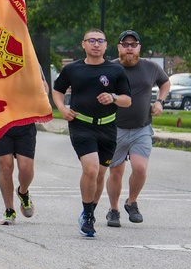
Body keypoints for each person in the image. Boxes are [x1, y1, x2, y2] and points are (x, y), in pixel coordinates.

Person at [52, 29, 131, 238]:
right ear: (83, 44)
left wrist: (113, 97)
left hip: (107, 127)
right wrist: (61, 108)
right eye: (91, 41)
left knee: (100, 174)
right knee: (91, 169)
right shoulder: (73, 69)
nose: (96, 44)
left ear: (106, 46)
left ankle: (89, 212)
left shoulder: (116, 71)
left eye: (100, 41)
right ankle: (87, 217)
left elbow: (127, 100)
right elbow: (57, 89)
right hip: (81, 125)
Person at [101, 30, 170, 227]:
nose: (129, 48)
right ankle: (113, 210)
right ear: (119, 47)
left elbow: (165, 82)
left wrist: (160, 102)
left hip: (141, 128)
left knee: (140, 168)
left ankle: (131, 202)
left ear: (139, 47)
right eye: (125, 44)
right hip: (115, 128)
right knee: (116, 172)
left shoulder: (151, 67)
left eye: (133, 44)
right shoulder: (110, 68)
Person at [0, 67, 49, 225]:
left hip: (25, 121)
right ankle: (9, 210)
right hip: (1, 121)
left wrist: (40, 95)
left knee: (26, 168)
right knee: (5, 167)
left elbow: (44, 86)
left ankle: (23, 192)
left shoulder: (29, 59)